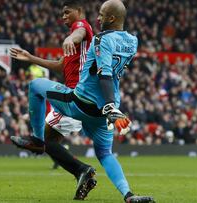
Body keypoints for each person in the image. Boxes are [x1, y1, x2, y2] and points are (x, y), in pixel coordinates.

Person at [11, 0, 155, 202]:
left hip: (81, 101)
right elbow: (105, 71)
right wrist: (110, 106)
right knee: (105, 154)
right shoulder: (133, 41)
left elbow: (103, 71)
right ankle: (129, 195)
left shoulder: (97, 37)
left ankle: (36, 140)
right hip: (104, 111)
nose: (98, 18)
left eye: (102, 14)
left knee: (35, 86)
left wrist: (108, 105)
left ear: (111, 18)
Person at [10, 0, 97, 200]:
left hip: (76, 96)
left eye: (67, 12)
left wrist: (70, 38)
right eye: (62, 14)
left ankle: (80, 168)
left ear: (79, 11)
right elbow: (60, 66)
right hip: (77, 95)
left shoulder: (81, 27)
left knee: (45, 138)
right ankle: (83, 172)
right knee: (50, 142)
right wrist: (31, 58)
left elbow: (79, 32)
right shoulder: (79, 47)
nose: (63, 17)